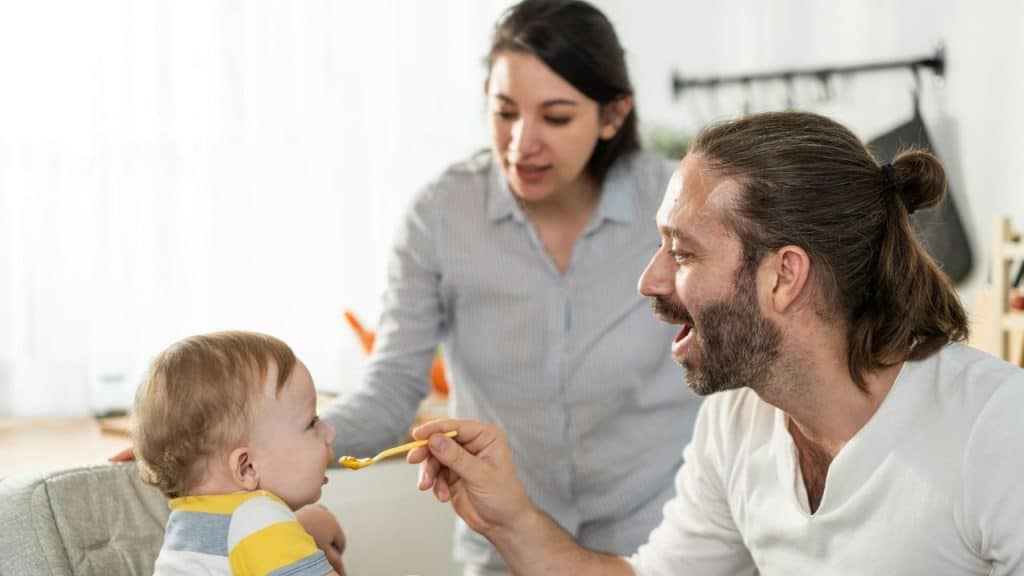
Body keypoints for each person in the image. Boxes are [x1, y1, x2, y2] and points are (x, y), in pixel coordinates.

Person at [408, 110, 1024, 575]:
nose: (649, 280)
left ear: (784, 275)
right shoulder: (736, 422)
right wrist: (509, 519)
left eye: (682, 252)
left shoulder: (996, 431)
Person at [319, 0, 701, 572]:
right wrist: (263, 449)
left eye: (555, 117)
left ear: (613, 115)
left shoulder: (676, 203)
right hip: (503, 554)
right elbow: (394, 386)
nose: (522, 144)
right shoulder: (443, 214)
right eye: (504, 112)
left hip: (657, 549)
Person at [133, 331, 346, 575]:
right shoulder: (259, 518)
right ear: (246, 467)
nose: (330, 433)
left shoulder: (188, 522)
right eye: (312, 423)